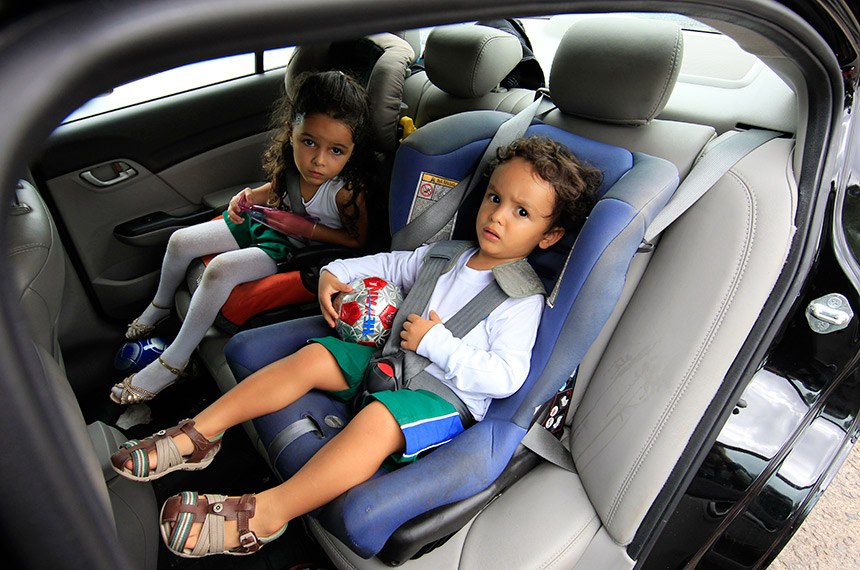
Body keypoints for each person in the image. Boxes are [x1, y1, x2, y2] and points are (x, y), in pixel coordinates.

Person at [110, 136, 601, 557]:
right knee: (315, 356)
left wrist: (438, 343)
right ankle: (198, 435)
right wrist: (335, 272)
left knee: (379, 420)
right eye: (494, 198)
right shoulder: (447, 255)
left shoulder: (521, 300)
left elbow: (506, 377)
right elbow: (390, 265)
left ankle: (265, 515)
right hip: (393, 357)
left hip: (443, 398)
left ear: (550, 235)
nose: (497, 216)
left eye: (521, 212)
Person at [111, 70, 373, 405]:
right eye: (309, 142)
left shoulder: (345, 191)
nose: (319, 160)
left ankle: (174, 362)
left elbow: (357, 241)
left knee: (219, 270)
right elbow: (277, 189)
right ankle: (160, 306)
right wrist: (247, 196)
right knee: (179, 241)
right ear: (291, 131)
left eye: (336, 150)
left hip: (293, 248)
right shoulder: (294, 164)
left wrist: (306, 229)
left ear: (352, 151)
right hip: (270, 222)